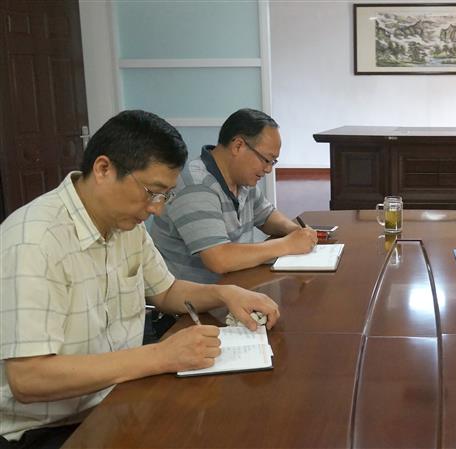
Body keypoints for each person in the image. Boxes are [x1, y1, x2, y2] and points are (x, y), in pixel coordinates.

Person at [0, 110, 280, 448]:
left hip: (119, 397)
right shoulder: (33, 241)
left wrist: (226, 294)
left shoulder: (125, 224)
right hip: (51, 428)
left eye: (165, 196)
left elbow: (167, 290)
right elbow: (28, 378)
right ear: (104, 169)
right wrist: (160, 356)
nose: (157, 209)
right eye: (152, 192)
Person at [150, 108, 317, 284]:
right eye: (266, 160)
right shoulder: (196, 185)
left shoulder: (242, 179)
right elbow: (219, 259)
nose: (268, 169)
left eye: (273, 162)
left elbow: (266, 216)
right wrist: (287, 245)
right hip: (194, 295)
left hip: (236, 285)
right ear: (238, 146)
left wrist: (295, 231)